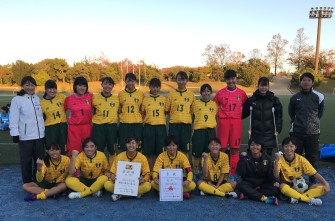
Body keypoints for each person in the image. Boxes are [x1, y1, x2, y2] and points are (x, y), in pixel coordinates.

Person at [288, 72, 324, 184]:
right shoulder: (294, 97)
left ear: (312, 82)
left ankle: (312, 180)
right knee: (295, 157)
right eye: (304, 80)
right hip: (297, 133)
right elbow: (291, 113)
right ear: (300, 82)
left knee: (312, 158)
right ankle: (295, 179)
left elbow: (320, 113)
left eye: (309, 80)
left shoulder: (319, 96)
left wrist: (313, 124)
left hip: (313, 133)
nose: (306, 82)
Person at [273, 137, 330, 206]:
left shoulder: (300, 159)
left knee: (323, 188)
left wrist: (325, 183)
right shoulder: (279, 159)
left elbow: (314, 173)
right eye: (286, 146)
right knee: (282, 186)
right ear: (283, 147)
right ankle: (307, 199)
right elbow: (276, 175)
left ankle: (296, 197)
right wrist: (276, 161)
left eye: (291, 146)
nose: (289, 149)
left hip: (301, 183)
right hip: (288, 185)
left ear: (295, 147)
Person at [9, 76, 45, 184]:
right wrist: (14, 133)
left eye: (32, 85)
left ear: (35, 86)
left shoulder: (37, 98)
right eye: (27, 85)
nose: (30, 87)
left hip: (39, 137)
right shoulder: (17, 100)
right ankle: (28, 182)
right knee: (26, 162)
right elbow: (13, 118)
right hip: (26, 137)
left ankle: (38, 180)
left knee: (39, 161)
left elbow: (38, 115)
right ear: (23, 86)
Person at [213, 69, 247, 180]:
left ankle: (232, 173)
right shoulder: (220, 93)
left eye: (233, 78)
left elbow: (247, 107)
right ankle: (219, 171)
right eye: (228, 79)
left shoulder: (242, 93)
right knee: (221, 148)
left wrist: (239, 116)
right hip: (223, 122)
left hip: (236, 123)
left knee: (234, 149)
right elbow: (213, 106)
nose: (231, 81)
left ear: (236, 78)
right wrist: (219, 115)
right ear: (225, 80)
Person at [242, 77, 283, 156]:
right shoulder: (252, 100)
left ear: (268, 86)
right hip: (256, 133)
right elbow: (244, 113)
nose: (263, 88)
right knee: (255, 154)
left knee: (267, 156)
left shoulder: (274, 100)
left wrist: (278, 129)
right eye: (261, 85)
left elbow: (278, 116)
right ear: (258, 86)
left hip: (269, 133)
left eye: (265, 85)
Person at [104, 136, 151, 201]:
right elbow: (113, 172)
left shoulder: (142, 158)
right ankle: (135, 193)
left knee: (148, 185)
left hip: (136, 184)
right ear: (126, 145)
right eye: (128, 143)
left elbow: (147, 173)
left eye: (133, 143)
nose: (131, 145)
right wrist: (113, 177)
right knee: (107, 185)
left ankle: (120, 194)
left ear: (137, 144)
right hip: (122, 184)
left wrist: (143, 179)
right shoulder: (119, 156)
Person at [236, 138, 279, 205]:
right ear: (249, 146)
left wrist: (275, 182)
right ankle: (264, 199)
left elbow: (270, 174)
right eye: (252, 145)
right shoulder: (245, 157)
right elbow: (240, 173)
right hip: (249, 182)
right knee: (240, 186)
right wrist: (242, 159)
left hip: (262, 183)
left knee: (275, 190)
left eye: (257, 145)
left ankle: (249, 194)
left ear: (261, 147)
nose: (255, 147)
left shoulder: (267, 158)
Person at [165, 71, 195, 157]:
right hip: (174, 124)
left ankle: (184, 168)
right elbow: (167, 110)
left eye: (183, 80)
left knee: (185, 147)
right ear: (176, 81)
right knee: (173, 146)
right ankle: (173, 168)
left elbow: (192, 111)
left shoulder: (191, 94)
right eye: (179, 80)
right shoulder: (171, 94)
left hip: (186, 125)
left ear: (187, 81)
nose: (181, 82)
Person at [191, 84, 218, 175]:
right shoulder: (195, 103)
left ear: (210, 92)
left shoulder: (214, 104)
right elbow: (191, 115)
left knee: (209, 152)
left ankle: (207, 170)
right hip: (199, 131)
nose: (206, 93)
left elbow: (215, 117)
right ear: (201, 93)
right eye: (204, 91)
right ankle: (196, 170)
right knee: (197, 152)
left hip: (210, 131)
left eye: (208, 91)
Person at [92, 77, 119, 165]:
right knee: (98, 149)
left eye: (110, 84)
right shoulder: (95, 98)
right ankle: (99, 168)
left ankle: (112, 170)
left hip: (112, 127)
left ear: (113, 86)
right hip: (98, 127)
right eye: (106, 84)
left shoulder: (116, 99)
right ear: (102, 85)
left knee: (112, 149)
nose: (108, 86)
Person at [141, 77, 167, 171]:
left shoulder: (164, 100)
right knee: (149, 152)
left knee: (160, 152)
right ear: (150, 87)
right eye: (153, 87)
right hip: (149, 128)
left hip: (160, 128)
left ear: (159, 88)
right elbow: (142, 113)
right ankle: (151, 172)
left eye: (157, 87)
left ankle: (159, 172)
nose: (155, 89)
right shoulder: (145, 100)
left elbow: (167, 111)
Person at [64, 76, 93, 155]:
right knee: (74, 150)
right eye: (80, 85)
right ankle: (74, 167)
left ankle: (87, 167)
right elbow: (62, 110)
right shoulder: (69, 99)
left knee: (88, 148)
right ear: (75, 86)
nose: (82, 88)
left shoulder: (90, 96)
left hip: (87, 127)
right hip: (74, 128)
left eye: (84, 86)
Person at [40, 80, 67, 154]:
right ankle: (51, 165)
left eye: (54, 88)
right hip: (50, 129)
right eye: (50, 88)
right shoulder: (41, 103)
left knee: (63, 148)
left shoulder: (62, 97)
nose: (52, 91)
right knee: (51, 149)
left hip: (62, 127)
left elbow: (73, 101)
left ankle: (64, 164)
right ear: (45, 90)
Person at [118, 73, 144, 151]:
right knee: (124, 147)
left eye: (132, 81)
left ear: (135, 82)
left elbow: (142, 109)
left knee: (137, 147)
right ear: (125, 81)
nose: (130, 83)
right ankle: (124, 163)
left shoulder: (140, 94)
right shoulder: (121, 94)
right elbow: (119, 109)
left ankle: (137, 162)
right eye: (128, 81)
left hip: (137, 124)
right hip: (124, 124)